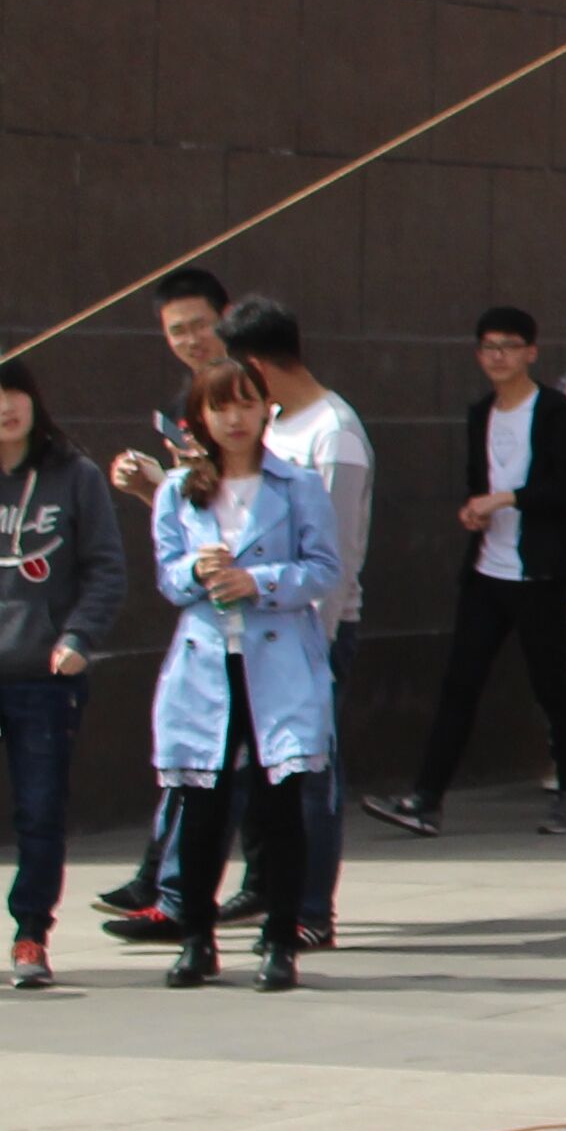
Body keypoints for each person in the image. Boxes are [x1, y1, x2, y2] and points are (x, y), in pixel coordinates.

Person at [148, 359, 342, 990]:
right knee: (200, 807)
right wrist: (199, 575)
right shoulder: (179, 489)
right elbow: (167, 576)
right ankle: (196, 937)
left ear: (266, 410)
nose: (233, 419)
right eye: (219, 407)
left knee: (279, 802)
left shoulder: (297, 484)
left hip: (278, 661)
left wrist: (256, 580)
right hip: (206, 662)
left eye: (245, 404)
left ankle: (281, 936)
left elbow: (323, 569)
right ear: (200, 418)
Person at [372, 307, 566, 841]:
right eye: (489, 347)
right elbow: (480, 482)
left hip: (538, 573)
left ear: (531, 352)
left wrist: (506, 499)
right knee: (459, 683)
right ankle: (426, 798)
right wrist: (477, 509)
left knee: (552, 687)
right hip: (487, 571)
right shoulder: (480, 414)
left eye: (510, 346)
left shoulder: (555, 410)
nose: (498, 356)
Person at [0, 351, 126, 992]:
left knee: (39, 809)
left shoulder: (74, 476)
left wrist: (78, 636)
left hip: (45, 676)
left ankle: (31, 936)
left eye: (14, 391)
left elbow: (107, 568)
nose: (5, 406)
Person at [88, 266, 244, 944]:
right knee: (194, 757)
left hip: (260, 618)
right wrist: (159, 490)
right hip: (207, 617)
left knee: (243, 772)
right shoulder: (189, 403)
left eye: (199, 325)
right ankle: (166, 881)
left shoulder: (252, 396)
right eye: (175, 331)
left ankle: (191, 896)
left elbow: (248, 518)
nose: (189, 339)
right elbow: (194, 531)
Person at [217, 300, 373, 947]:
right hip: (254, 629)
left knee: (310, 775)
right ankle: (269, 888)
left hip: (311, 632)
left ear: (255, 365)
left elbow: (335, 560)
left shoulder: (331, 434)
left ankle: (312, 911)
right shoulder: (273, 426)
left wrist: (318, 645)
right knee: (259, 773)